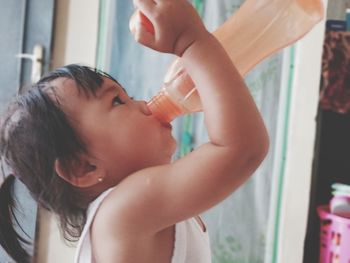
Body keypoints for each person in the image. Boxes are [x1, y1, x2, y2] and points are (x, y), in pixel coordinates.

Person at [0, 0, 269, 262]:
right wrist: (191, 42)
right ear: (84, 168)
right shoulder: (122, 212)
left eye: (127, 96)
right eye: (117, 102)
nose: (142, 104)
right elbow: (241, 148)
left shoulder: (129, 211)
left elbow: (238, 148)